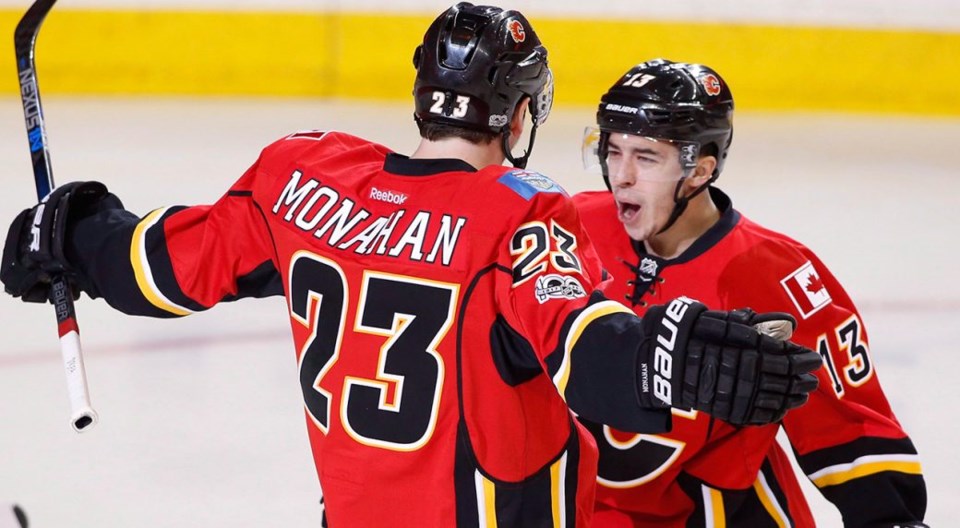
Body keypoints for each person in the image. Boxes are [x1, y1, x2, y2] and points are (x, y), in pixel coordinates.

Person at [0, 7, 821, 527]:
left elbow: (159, 267)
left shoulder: (302, 178)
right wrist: (674, 355)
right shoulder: (518, 215)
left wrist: (71, 229)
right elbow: (590, 354)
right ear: (523, 113)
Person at [573, 58, 928, 527]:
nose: (621, 175)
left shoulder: (773, 273)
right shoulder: (571, 227)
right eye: (613, 151)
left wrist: (888, 516)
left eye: (645, 156)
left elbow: (847, 420)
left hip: (724, 512)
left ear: (700, 170)